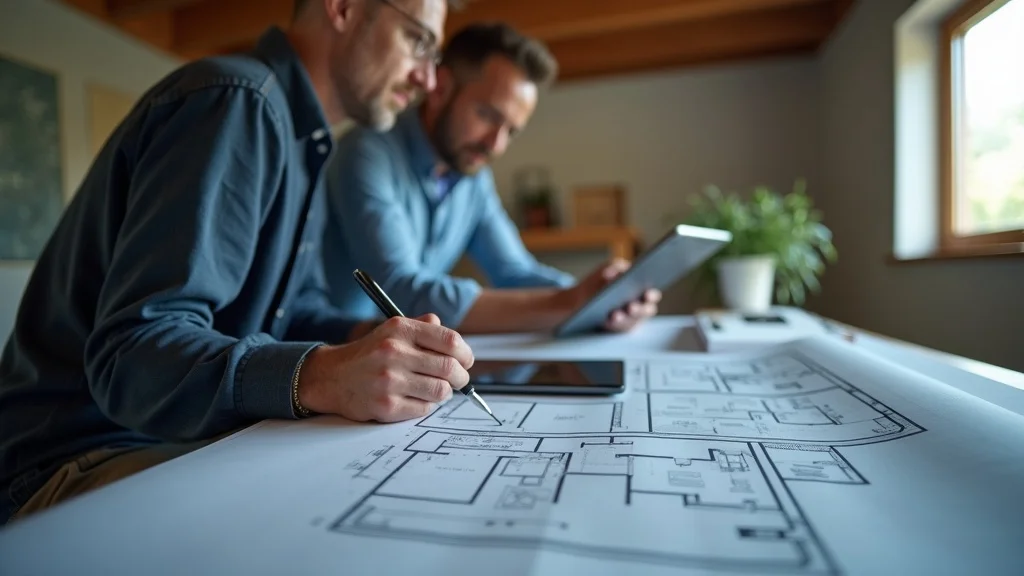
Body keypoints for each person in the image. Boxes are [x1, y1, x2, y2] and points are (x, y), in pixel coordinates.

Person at [0, 0, 471, 525]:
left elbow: (294, 313)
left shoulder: (303, 139)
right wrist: (324, 374)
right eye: (418, 41)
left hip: (161, 441)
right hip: (71, 459)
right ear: (343, 8)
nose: (429, 79)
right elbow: (131, 356)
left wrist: (378, 343)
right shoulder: (236, 103)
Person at [321, 22, 661, 335]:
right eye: (487, 115)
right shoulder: (366, 151)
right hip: (331, 357)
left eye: (511, 131)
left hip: (400, 361)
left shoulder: (472, 176)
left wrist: (601, 294)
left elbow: (514, 272)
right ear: (440, 88)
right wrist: (571, 301)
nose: (496, 144)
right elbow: (403, 290)